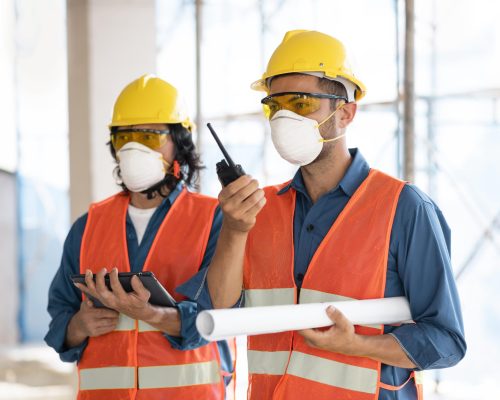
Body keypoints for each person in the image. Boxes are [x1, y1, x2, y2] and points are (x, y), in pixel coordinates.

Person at [202, 30, 466, 399]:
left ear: (345, 113)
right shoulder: (256, 210)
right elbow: (221, 308)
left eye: (300, 103)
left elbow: (447, 340)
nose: (283, 117)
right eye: (274, 105)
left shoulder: (403, 208)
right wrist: (233, 230)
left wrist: (358, 345)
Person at [45, 74, 233, 399]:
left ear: (179, 142)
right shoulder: (87, 226)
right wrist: (78, 326)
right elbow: (60, 314)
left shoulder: (216, 220)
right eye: (124, 137)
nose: (133, 148)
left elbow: (217, 316)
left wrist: (151, 315)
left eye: (149, 136)